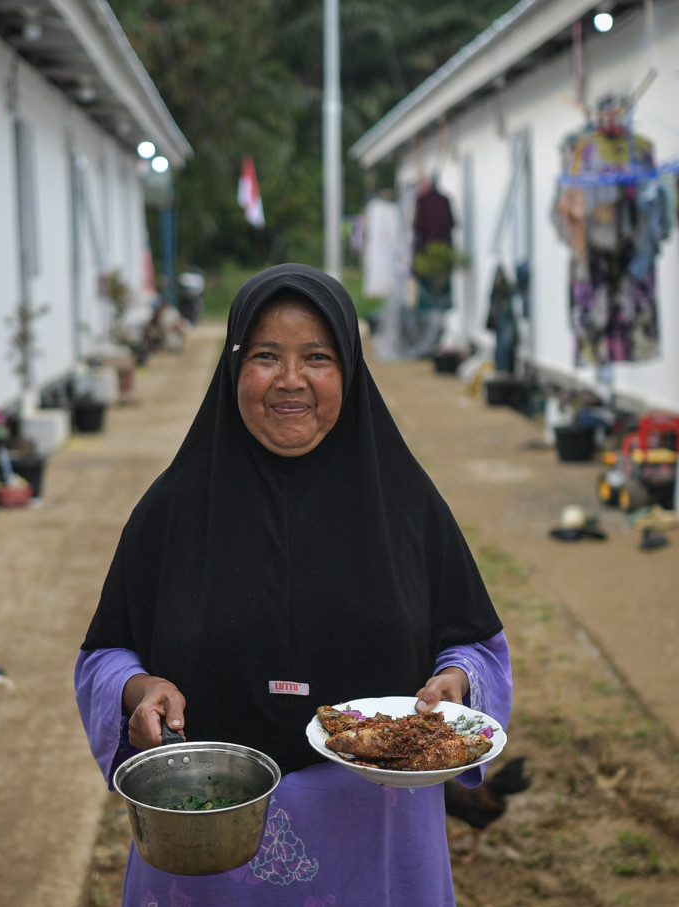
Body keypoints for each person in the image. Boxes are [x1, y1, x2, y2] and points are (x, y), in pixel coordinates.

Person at [75, 263, 513, 905]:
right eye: (265, 356)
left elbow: (476, 645)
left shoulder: (405, 505)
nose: (290, 380)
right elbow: (104, 656)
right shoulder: (173, 509)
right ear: (232, 368)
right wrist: (138, 692)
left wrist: (458, 684)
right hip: (209, 845)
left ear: (351, 371)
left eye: (317, 357)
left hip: (375, 843)